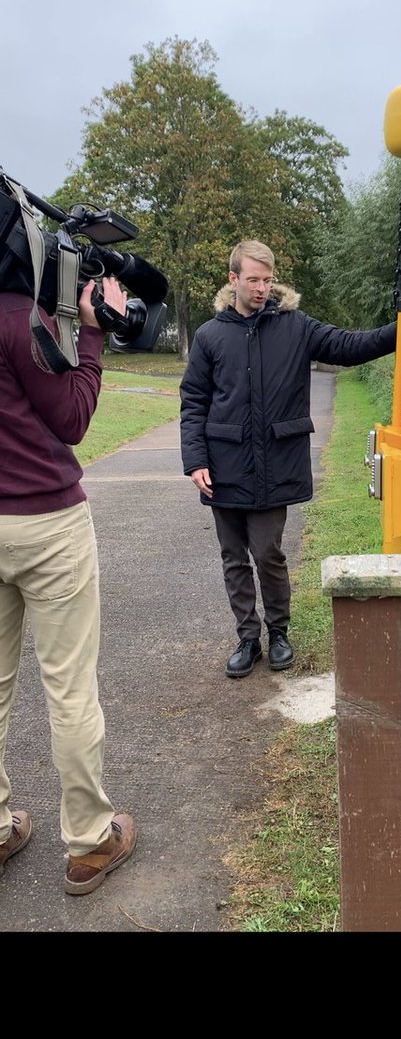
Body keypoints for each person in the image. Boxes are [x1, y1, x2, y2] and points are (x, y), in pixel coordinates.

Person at [180, 240, 397, 679]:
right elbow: (194, 401)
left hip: (276, 463)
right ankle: (247, 638)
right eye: (253, 279)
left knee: (267, 553)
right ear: (233, 278)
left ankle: (278, 632)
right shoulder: (209, 336)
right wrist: (195, 459)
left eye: (267, 279)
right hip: (224, 465)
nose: (262, 288)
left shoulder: (295, 326)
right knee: (233, 557)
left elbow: (348, 345)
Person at [0, 276, 137, 894]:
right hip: (45, 521)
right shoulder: (17, 319)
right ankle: (87, 842)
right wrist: (92, 333)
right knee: (71, 690)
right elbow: (72, 417)